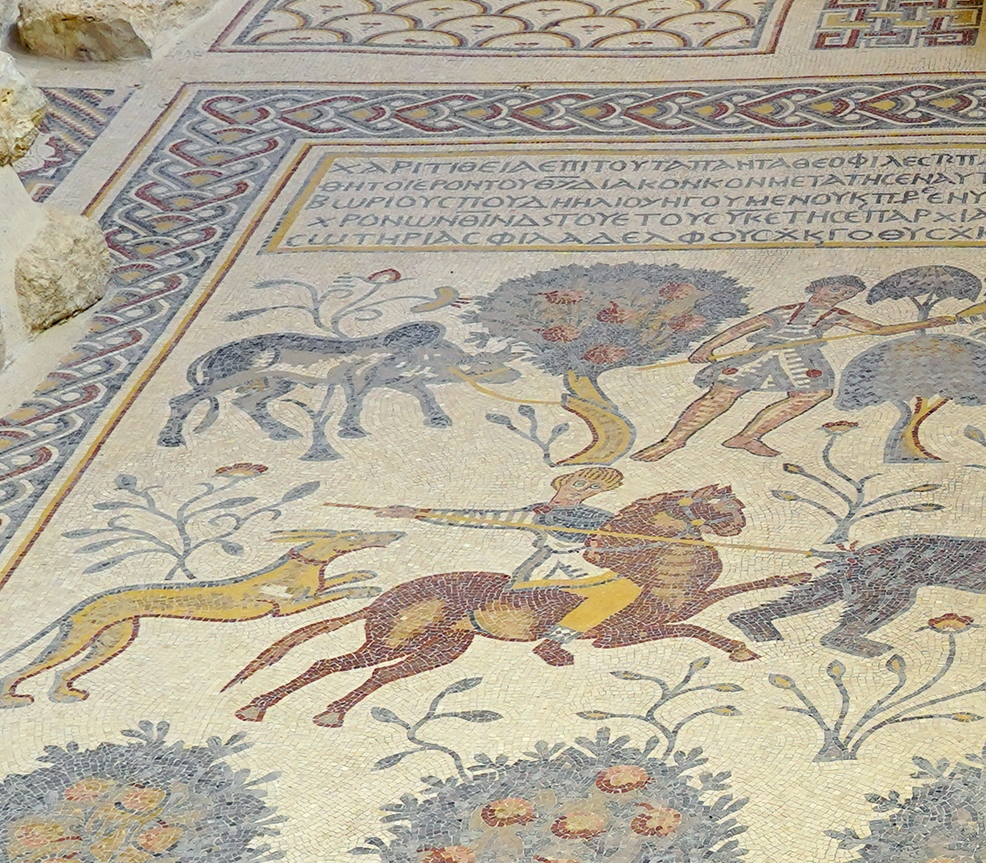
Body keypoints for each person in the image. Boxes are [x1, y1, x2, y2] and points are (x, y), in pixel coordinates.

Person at [354, 466, 649, 655]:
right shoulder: (537, 513)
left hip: (586, 568)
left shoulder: (599, 517)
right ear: (565, 480)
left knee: (632, 588)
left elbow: (626, 537)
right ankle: (554, 642)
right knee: (623, 590)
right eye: (580, 482)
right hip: (552, 569)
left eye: (593, 489)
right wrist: (419, 512)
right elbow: (483, 519)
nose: (582, 490)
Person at [635, 276, 876, 463]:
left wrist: (913, 321)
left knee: (814, 393)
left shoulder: (837, 315)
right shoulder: (785, 311)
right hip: (762, 354)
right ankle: (672, 441)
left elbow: (875, 329)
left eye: (847, 294)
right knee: (721, 395)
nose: (839, 296)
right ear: (817, 287)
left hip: (801, 358)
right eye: (835, 289)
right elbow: (741, 329)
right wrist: (707, 347)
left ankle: (747, 436)